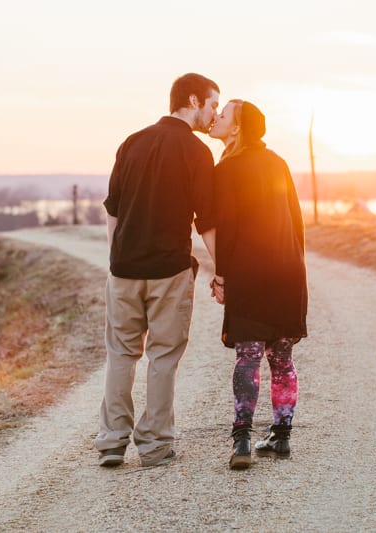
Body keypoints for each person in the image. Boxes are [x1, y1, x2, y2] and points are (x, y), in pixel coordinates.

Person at [95, 73, 220, 467]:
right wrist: (223, 270)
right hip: (169, 270)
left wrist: (116, 259)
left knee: (121, 354)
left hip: (124, 270)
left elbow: (113, 210)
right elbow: (208, 221)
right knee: (163, 356)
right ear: (195, 99)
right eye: (214, 104)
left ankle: (113, 441)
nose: (214, 114)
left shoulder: (131, 142)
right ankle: (154, 445)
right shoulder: (197, 152)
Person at [208, 99, 308, 469]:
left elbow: (227, 227)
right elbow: (297, 223)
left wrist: (221, 276)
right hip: (288, 271)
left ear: (237, 129)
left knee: (248, 356)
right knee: (282, 359)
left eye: (224, 115)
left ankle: (243, 441)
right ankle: (281, 438)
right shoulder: (278, 162)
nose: (216, 118)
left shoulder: (228, 168)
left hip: (250, 273)